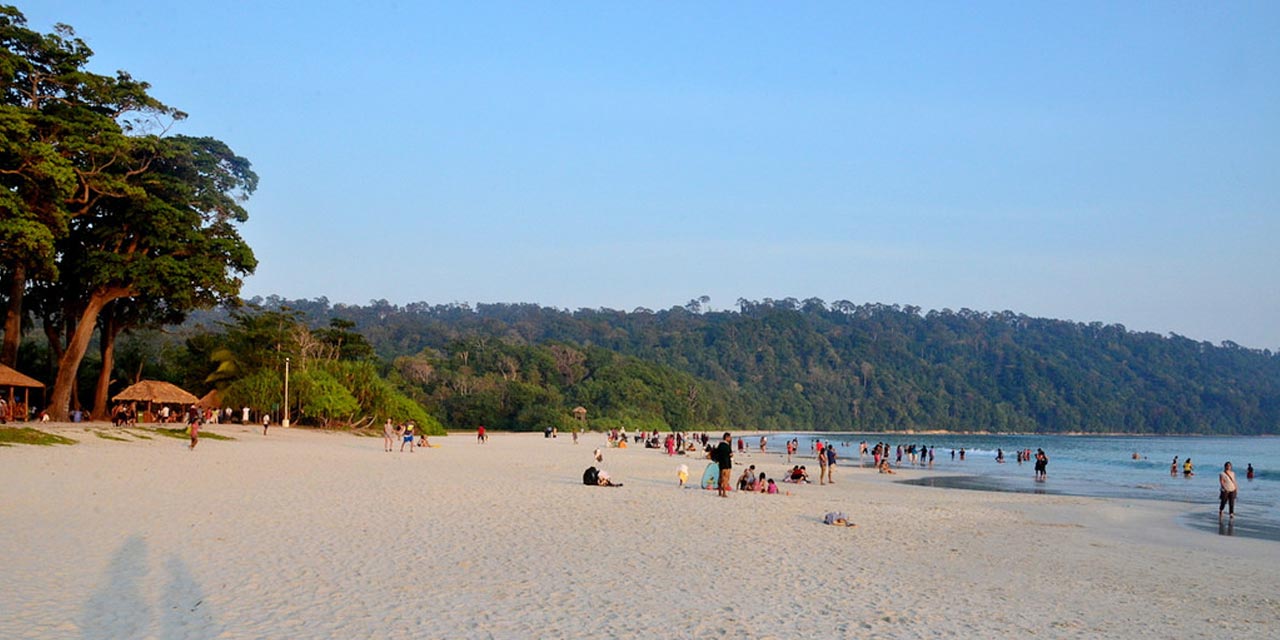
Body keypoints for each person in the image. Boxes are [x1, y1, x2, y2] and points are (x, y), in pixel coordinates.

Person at [713, 432, 733, 498]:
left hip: (721, 463)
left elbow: (717, 453)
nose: (730, 439)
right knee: (725, 478)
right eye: (729, 437)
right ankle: (724, 492)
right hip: (726, 463)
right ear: (727, 437)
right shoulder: (727, 446)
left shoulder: (720, 445)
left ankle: (719, 492)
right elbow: (730, 454)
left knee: (720, 478)